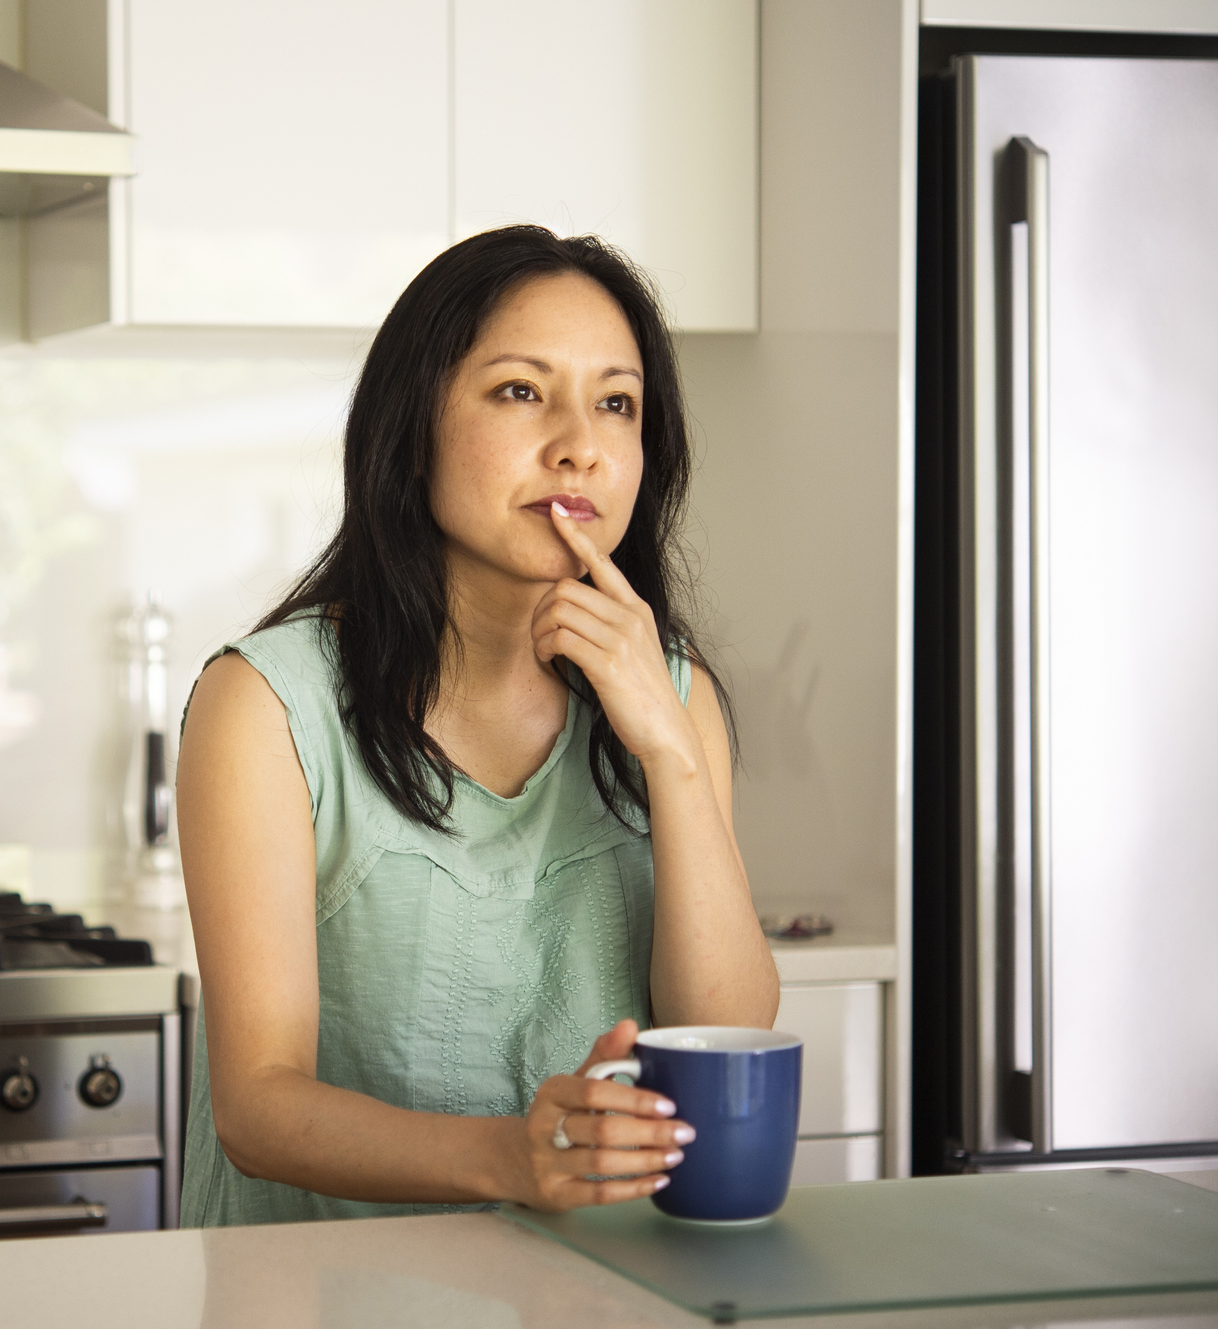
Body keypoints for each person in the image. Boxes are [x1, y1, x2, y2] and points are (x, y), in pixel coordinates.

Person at [176, 227, 780, 1226]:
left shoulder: (673, 698)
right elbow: (258, 1106)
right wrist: (512, 1157)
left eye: (614, 403)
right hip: (314, 1327)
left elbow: (723, 1031)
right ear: (411, 428)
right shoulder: (263, 706)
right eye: (518, 390)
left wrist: (669, 753)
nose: (577, 441)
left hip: (585, 1318)